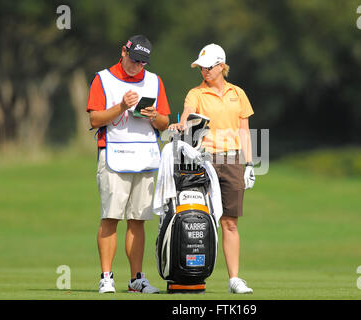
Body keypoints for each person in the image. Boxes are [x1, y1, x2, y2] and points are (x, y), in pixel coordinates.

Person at [169, 43, 256, 294]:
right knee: (197, 219)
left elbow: (244, 131)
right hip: (203, 161)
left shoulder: (237, 94)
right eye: (201, 68)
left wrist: (249, 163)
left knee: (230, 222)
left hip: (232, 161)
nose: (204, 71)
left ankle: (234, 279)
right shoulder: (195, 93)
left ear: (221, 66)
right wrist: (182, 123)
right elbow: (187, 113)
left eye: (208, 67)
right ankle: (192, 273)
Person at [86, 35, 170, 293]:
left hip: (144, 158)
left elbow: (165, 123)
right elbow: (95, 118)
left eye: (142, 63)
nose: (137, 67)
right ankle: (106, 277)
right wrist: (121, 106)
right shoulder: (103, 78)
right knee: (110, 217)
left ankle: (137, 279)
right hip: (114, 154)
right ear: (123, 51)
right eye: (134, 60)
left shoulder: (154, 80)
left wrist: (154, 115)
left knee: (138, 220)